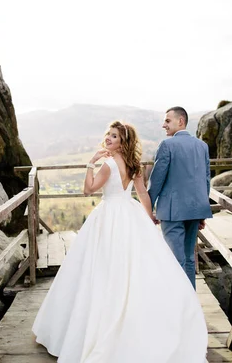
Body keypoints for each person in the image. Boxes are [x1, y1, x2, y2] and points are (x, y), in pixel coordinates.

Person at [32, 121, 207, 362]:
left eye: (114, 136)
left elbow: (88, 190)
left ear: (122, 141)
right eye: (108, 135)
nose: (108, 139)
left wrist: (90, 163)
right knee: (132, 267)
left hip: (109, 216)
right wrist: (150, 217)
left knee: (102, 268)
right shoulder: (134, 165)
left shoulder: (109, 164)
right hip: (130, 213)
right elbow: (143, 193)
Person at [147, 107, 212, 289]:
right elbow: (205, 180)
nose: (164, 125)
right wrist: (201, 213)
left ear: (180, 121)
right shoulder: (202, 146)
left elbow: (156, 180)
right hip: (195, 210)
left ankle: (180, 307)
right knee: (189, 258)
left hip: (172, 211)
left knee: (175, 260)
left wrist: (148, 207)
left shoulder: (167, 145)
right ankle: (190, 303)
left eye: (168, 121)